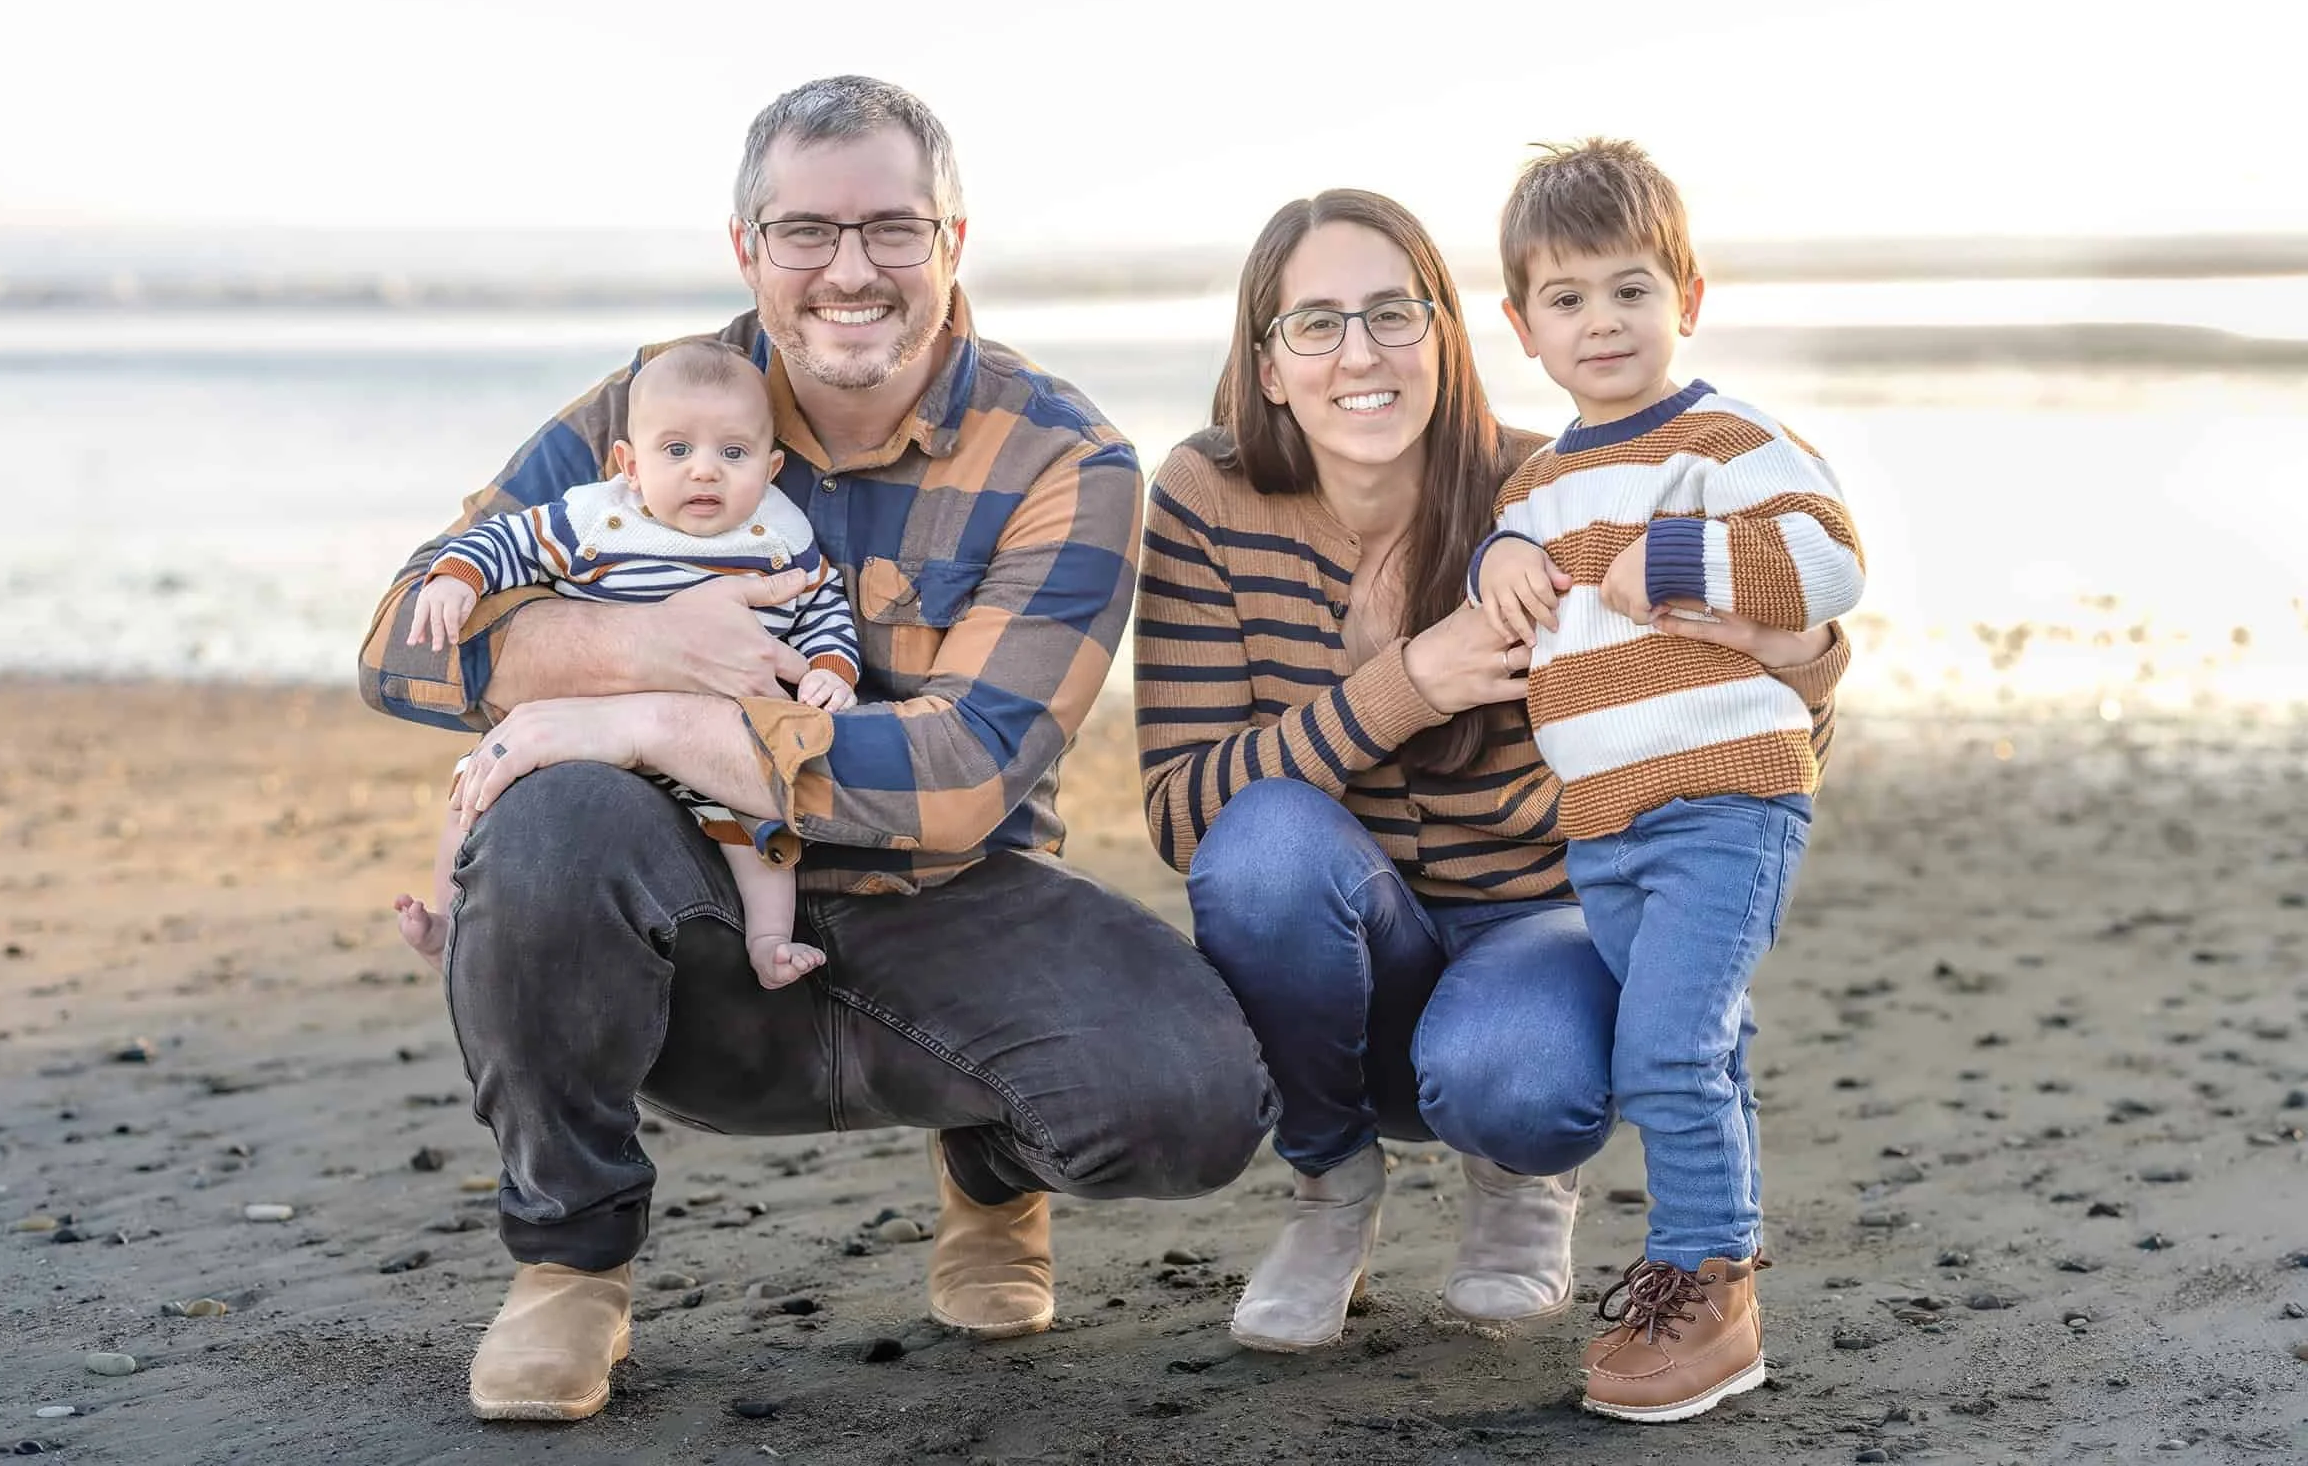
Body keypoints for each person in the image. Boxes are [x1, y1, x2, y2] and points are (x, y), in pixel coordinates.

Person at [358, 75, 1275, 1423]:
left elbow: (965, 776)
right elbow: (400, 642)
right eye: (806, 231)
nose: (850, 270)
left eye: (893, 229)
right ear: (749, 247)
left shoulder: (1065, 455)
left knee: (1192, 1098)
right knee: (544, 825)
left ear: (953, 241)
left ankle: (992, 1180)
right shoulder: (653, 407)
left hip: (950, 899)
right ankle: (569, 1268)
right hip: (693, 914)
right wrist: (655, 647)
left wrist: (647, 718)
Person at [1131, 189, 1849, 1368]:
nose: (1359, 353)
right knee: (1260, 844)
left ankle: (1520, 1175)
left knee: (1515, 1078)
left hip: (1536, 925)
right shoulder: (1209, 496)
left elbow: (1747, 742)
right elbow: (1181, 815)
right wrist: (1414, 678)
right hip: (1337, 949)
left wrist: (1805, 655)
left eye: (1392, 313)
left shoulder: (1555, 491)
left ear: (1452, 334)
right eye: (1315, 324)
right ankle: (1330, 1184)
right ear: (1267, 364)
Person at [1472, 138, 1862, 1422]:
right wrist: (1494, 574)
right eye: (1567, 299)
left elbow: (1828, 560)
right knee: (1707, 1044)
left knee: (1665, 1047)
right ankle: (1722, 1267)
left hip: (1725, 799)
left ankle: (1704, 1275)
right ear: (1524, 326)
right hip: (1605, 822)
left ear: (1685, 298)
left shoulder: (1725, 439)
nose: (1602, 322)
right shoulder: (1536, 482)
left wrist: (1683, 560)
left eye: (1631, 289)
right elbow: (1509, 563)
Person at [395, 341, 860, 990]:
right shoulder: (597, 519)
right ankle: (450, 923)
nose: (706, 472)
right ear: (630, 464)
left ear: (771, 465)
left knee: (758, 833)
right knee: (476, 789)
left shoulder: (779, 539)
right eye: (677, 450)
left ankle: (770, 942)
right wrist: (457, 577)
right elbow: (507, 540)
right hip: (578, 730)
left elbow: (823, 605)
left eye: (733, 453)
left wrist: (830, 668)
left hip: (712, 744)